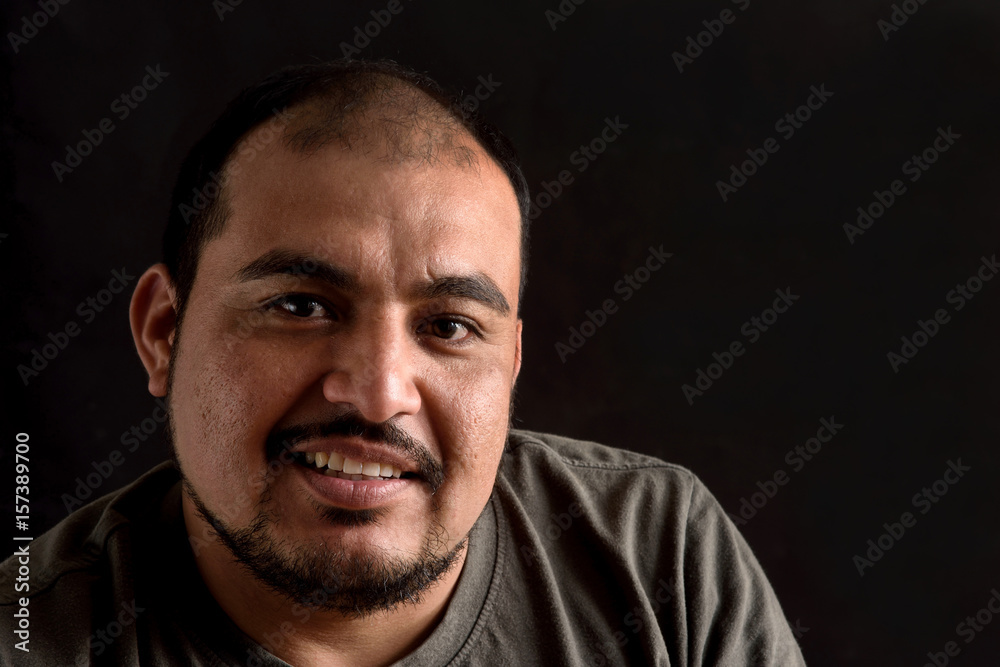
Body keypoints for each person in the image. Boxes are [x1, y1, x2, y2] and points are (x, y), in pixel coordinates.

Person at [0, 60, 806, 666]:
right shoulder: (29, 637)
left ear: (512, 363)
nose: (380, 393)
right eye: (301, 306)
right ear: (162, 332)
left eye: (450, 325)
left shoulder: (659, 559)